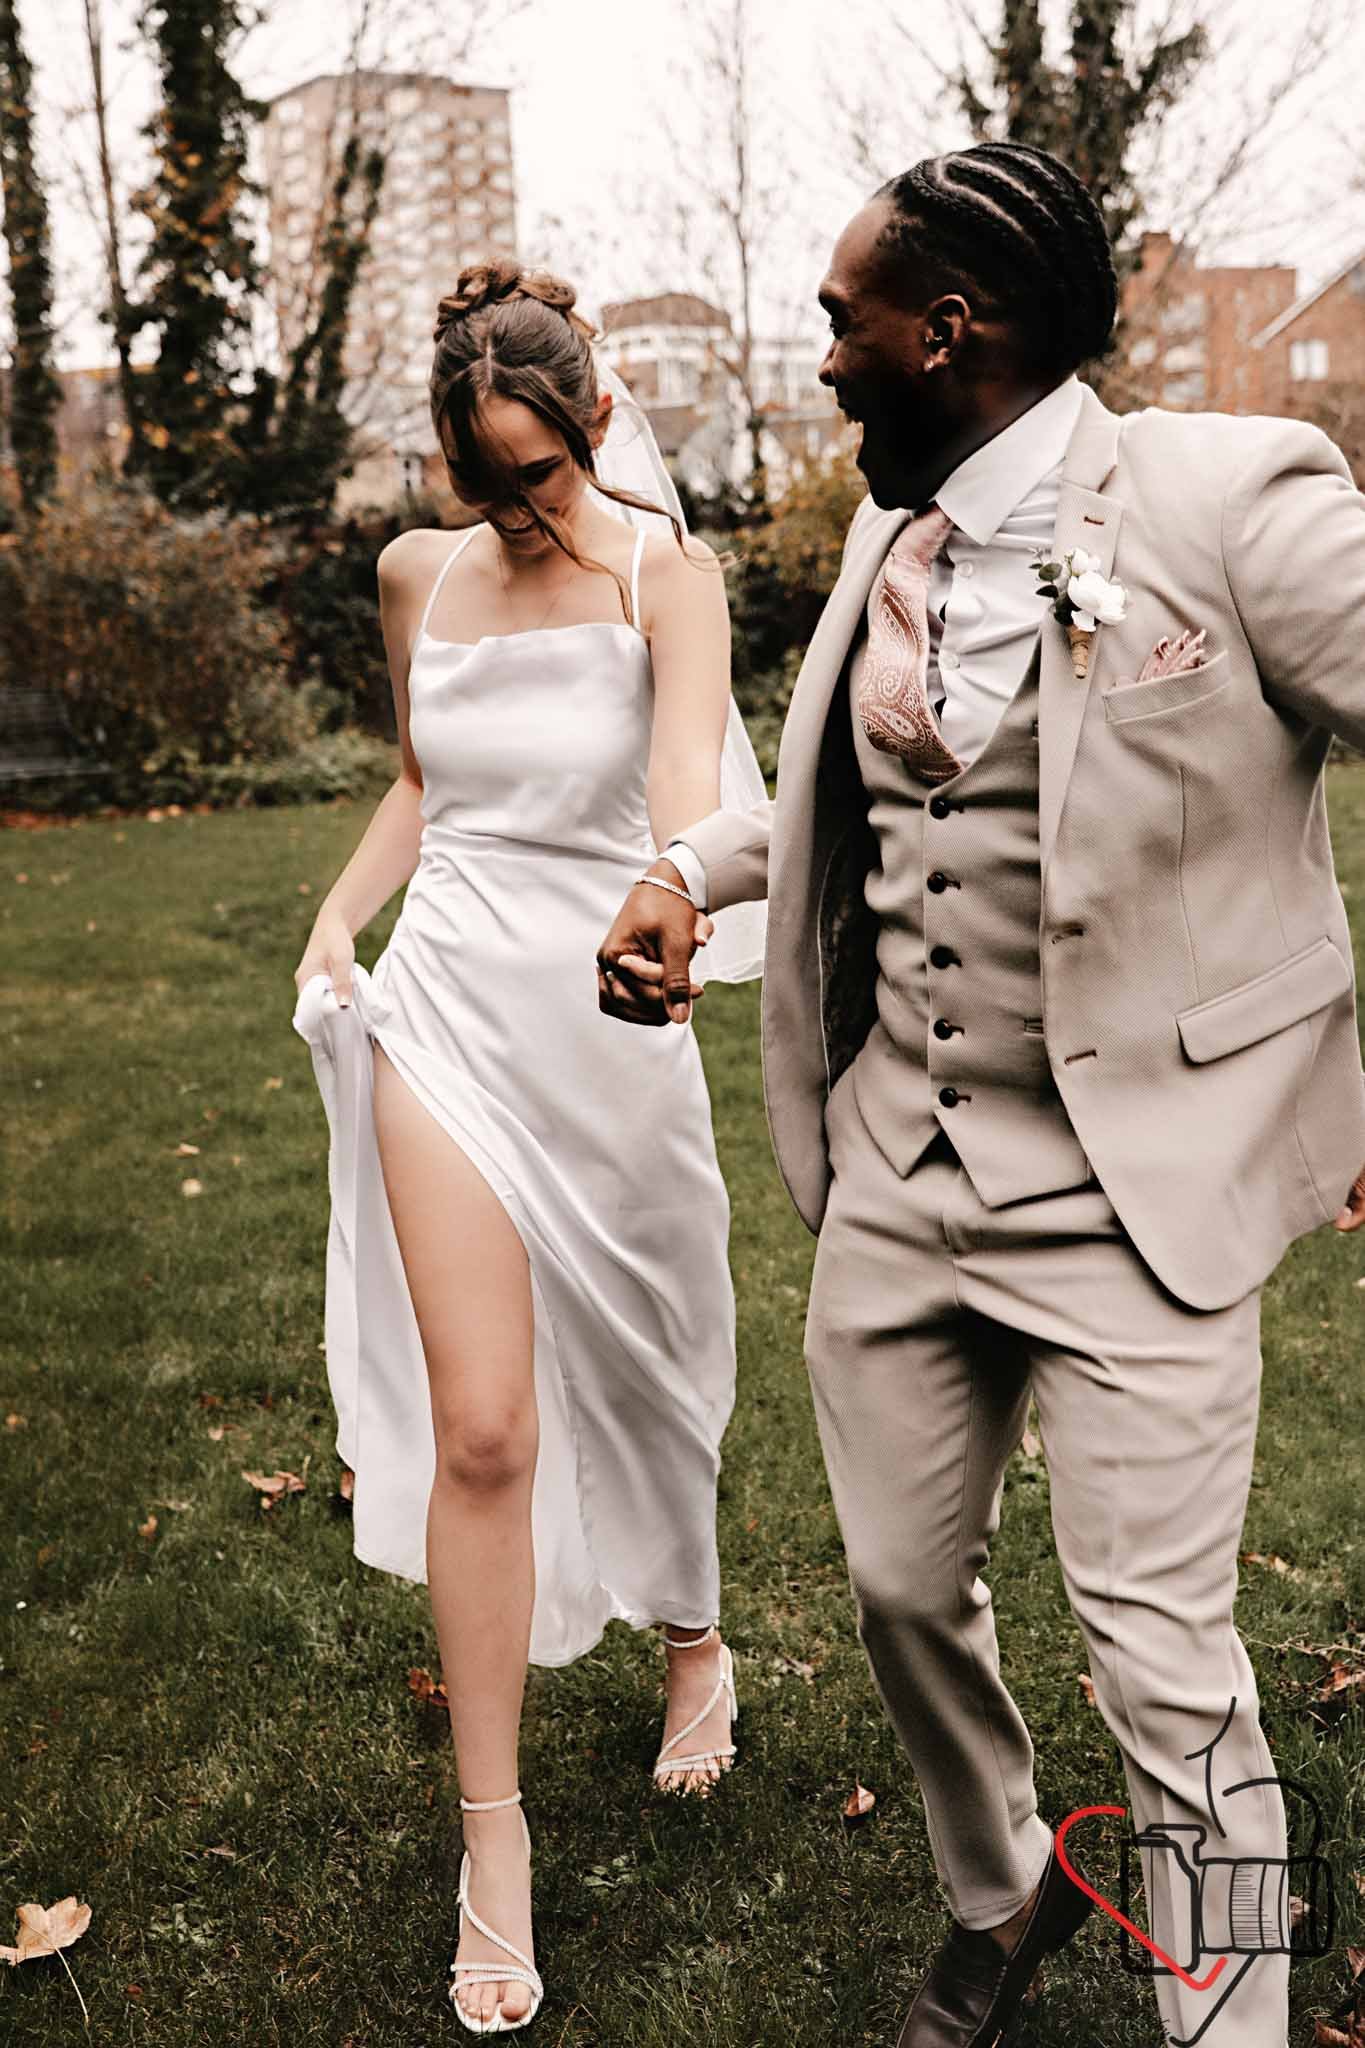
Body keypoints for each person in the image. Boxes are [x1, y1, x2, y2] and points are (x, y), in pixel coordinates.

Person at [598, 143, 1365, 2048]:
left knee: (1167, 1669)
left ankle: (1232, 2019)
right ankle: (998, 1884)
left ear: (946, 331)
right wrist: (688, 870)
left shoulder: (1230, 499)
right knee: (894, 1588)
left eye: (842, 323)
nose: (823, 361)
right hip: (897, 1168)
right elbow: (862, 800)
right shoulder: (897, 535)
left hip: (1137, 1194)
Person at [292, 258, 764, 2034]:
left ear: (596, 422)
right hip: (444, 1016)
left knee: (653, 1374)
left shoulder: (665, 576)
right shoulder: (416, 576)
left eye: (540, 471)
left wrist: (672, 915)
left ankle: (693, 1637)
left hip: (609, 1017)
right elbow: (425, 781)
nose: (514, 507)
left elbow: (687, 803)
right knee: (482, 1425)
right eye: (479, 477)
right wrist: (337, 919)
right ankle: (493, 1841)